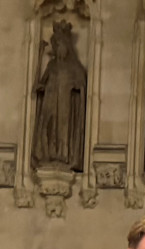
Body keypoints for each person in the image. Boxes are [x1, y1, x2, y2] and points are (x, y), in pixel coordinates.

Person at [32, 20, 87, 170]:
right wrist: (40, 86)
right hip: (50, 101)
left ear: (66, 45)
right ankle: (47, 155)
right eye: (55, 45)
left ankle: (63, 156)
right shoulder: (51, 65)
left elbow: (81, 81)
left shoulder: (74, 66)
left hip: (65, 103)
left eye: (59, 44)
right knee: (48, 126)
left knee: (63, 128)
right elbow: (43, 81)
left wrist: (78, 86)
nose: (57, 48)